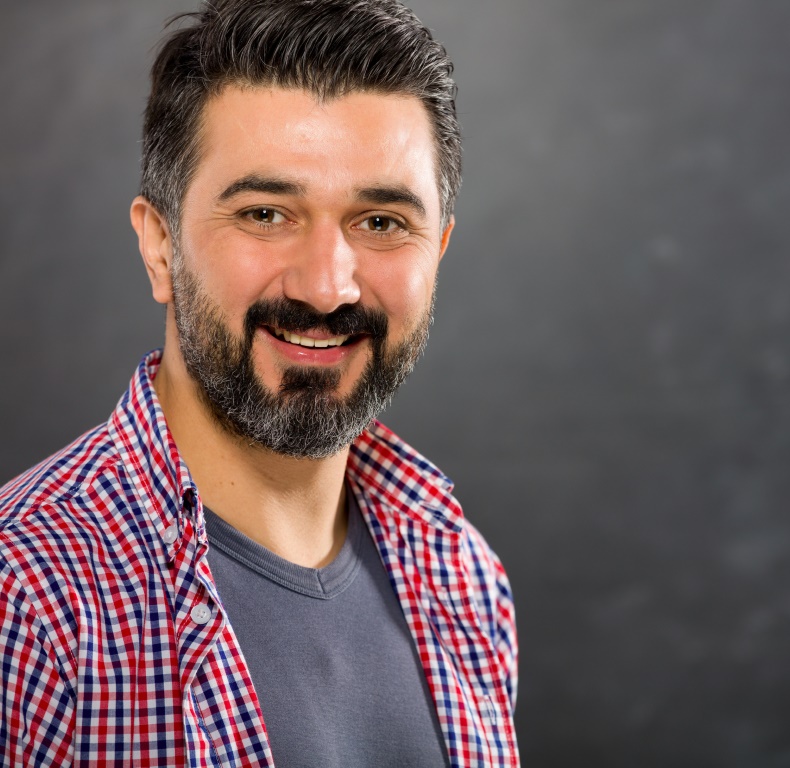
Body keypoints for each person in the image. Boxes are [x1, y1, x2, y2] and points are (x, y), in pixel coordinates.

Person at [0, 1, 517, 765]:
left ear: (436, 250)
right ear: (159, 244)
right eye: (267, 212)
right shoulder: (27, 601)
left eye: (380, 222)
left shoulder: (460, 574)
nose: (326, 287)